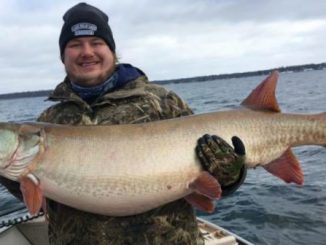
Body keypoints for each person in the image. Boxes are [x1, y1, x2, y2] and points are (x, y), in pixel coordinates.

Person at [0, 2, 246, 244]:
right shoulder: (49, 120)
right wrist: (7, 175)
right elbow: (39, 196)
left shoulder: (162, 103)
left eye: (96, 42)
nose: (87, 52)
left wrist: (232, 174)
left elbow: (215, 183)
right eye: (75, 45)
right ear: (63, 56)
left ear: (112, 51)